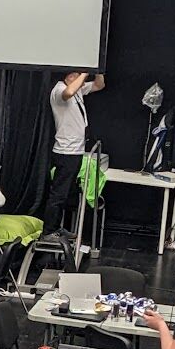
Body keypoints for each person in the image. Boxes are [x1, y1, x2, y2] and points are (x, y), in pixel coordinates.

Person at [46, 71, 105, 233]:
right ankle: (49, 231)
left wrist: (98, 71)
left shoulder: (77, 88)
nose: (78, 78)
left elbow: (99, 85)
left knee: (65, 194)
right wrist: (85, 73)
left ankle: (56, 228)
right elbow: (69, 92)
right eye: (75, 74)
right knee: (58, 194)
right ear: (65, 76)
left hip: (76, 150)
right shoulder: (59, 90)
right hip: (66, 151)